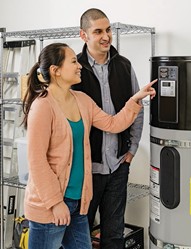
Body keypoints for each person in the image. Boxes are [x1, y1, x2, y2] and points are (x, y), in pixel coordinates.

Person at [22, 42, 156, 249]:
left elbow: (112, 124)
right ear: (55, 71)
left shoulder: (82, 100)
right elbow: (37, 161)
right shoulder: (42, 106)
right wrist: (56, 203)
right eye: (74, 62)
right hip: (50, 205)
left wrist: (135, 100)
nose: (79, 66)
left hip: (78, 204)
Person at [71, 8, 146, 248]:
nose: (106, 36)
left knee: (113, 235)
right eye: (98, 31)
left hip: (117, 165)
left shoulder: (124, 66)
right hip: (85, 170)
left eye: (108, 30)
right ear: (84, 35)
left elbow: (137, 108)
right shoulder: (74, 69)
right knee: (79, 236)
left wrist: (131, 150)